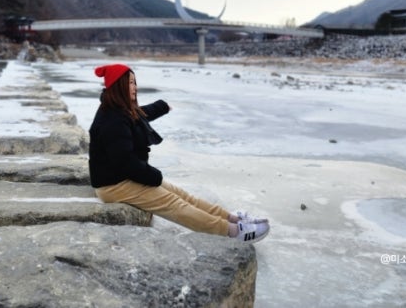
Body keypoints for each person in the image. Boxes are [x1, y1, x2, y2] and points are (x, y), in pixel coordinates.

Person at [88, 63, 270, 243]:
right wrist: (154, 176)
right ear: (119, 86)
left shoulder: (119, 110)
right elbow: (125, 162)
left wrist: (162, 106)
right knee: (175, 204)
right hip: (113, 186)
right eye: (130, 83)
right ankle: (231, 232)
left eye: (135, 82)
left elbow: (139, 115)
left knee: (183, 195)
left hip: (122, 177)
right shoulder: (112, 120)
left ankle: (232, 219)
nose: (135, 87)